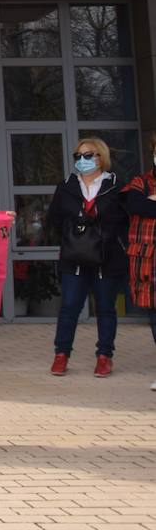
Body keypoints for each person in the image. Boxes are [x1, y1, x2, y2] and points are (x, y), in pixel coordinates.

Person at [47, 137, 128, 378]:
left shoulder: (116, 185)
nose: (82, 160)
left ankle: (104, 356)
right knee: (69, 307)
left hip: (107, 257)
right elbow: (55, 218)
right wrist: (75, 231)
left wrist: (105, 232)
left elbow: (124, 220)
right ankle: (61, 354)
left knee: (105, 308)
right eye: (78, 156)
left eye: (88, 155)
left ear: (101, 157)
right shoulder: (66, 186)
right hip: (75, 256)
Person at [120, 132, 156, 391]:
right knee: (154, 317)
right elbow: (137, 206)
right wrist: (147, 203)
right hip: (148, 261)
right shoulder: (140, 181)